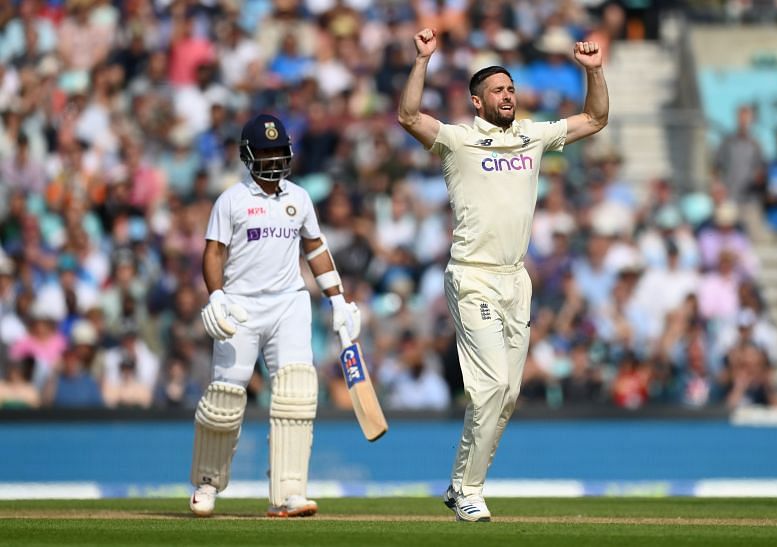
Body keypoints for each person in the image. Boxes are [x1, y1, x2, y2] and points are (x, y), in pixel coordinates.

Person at [397, 28, 608, 522]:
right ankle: (470, 490)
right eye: (498, 90)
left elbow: (596, 118)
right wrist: (422, 60)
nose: (508, 95)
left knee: (507, 393)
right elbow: (408, 116)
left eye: (511, 88)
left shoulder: (533, 135)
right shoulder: (459, 140)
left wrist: (593, 70)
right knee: (490, 385)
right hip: (472, 275)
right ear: (477, 101)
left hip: (517, 279)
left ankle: (458, 485)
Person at [188, 113, 361, 518]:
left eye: (278, 150)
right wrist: (215, 297)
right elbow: (213, 251)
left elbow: (315, 249)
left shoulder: (298, 198)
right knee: (225, 398)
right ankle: (208, 483)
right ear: (248, 155)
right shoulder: (231, 200)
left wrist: (337, 299)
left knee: (297, 394)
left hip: (289, 303)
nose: (272, 158)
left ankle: (288, 492)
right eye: (264, 151)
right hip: (241, 305)